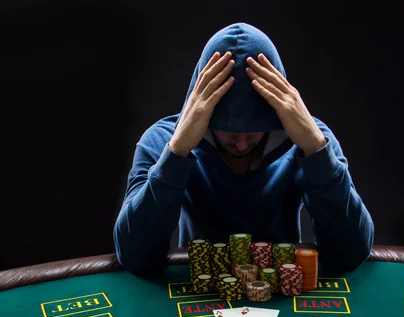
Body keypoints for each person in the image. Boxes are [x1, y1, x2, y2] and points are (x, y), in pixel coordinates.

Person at [114, 22, 374, 273]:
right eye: (228, 128)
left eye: (253, 129)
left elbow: (351, 252)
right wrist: (178, 151)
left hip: (279, 295)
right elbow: (134, 255)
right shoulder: (163, 141)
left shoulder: (309, 138)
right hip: (196, 297)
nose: (241, 143)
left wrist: (316, 151)